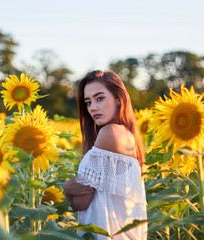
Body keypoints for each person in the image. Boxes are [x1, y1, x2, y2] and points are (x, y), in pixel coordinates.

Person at [63, 70, 147, 239]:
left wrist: (65, 188)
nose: (93, 107)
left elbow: (80, 202)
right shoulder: (128, 135)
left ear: (118, 98)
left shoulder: (110, 133)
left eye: (100, 98)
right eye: (88, 102)